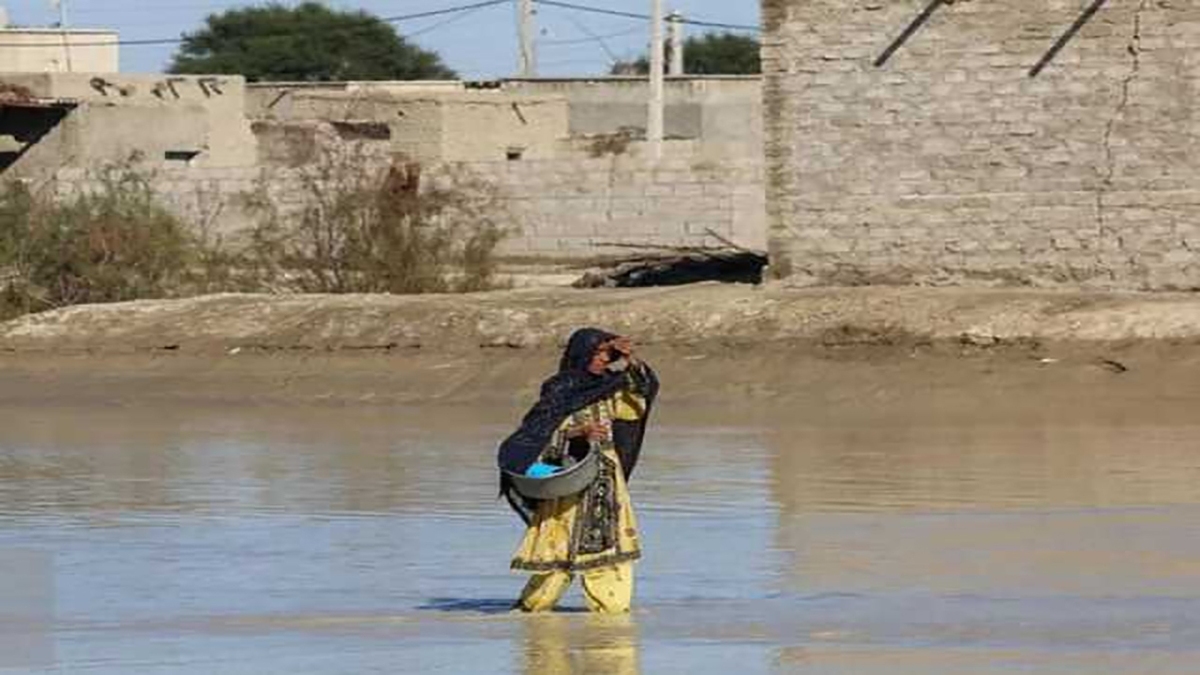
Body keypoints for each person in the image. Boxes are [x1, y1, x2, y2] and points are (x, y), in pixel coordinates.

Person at [497, 328, 659, 613]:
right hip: (568, 480)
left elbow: (638, 402)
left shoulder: (612, 386)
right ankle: (532, 611)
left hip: (605, 480)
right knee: (557, 552)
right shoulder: (559, 388)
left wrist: (630, 359)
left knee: (610, 552)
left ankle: (612, 616)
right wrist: (577, 432)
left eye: (605, 353)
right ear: (581, 354)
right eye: (596, 353)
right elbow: (537, 431)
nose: (601, 359)